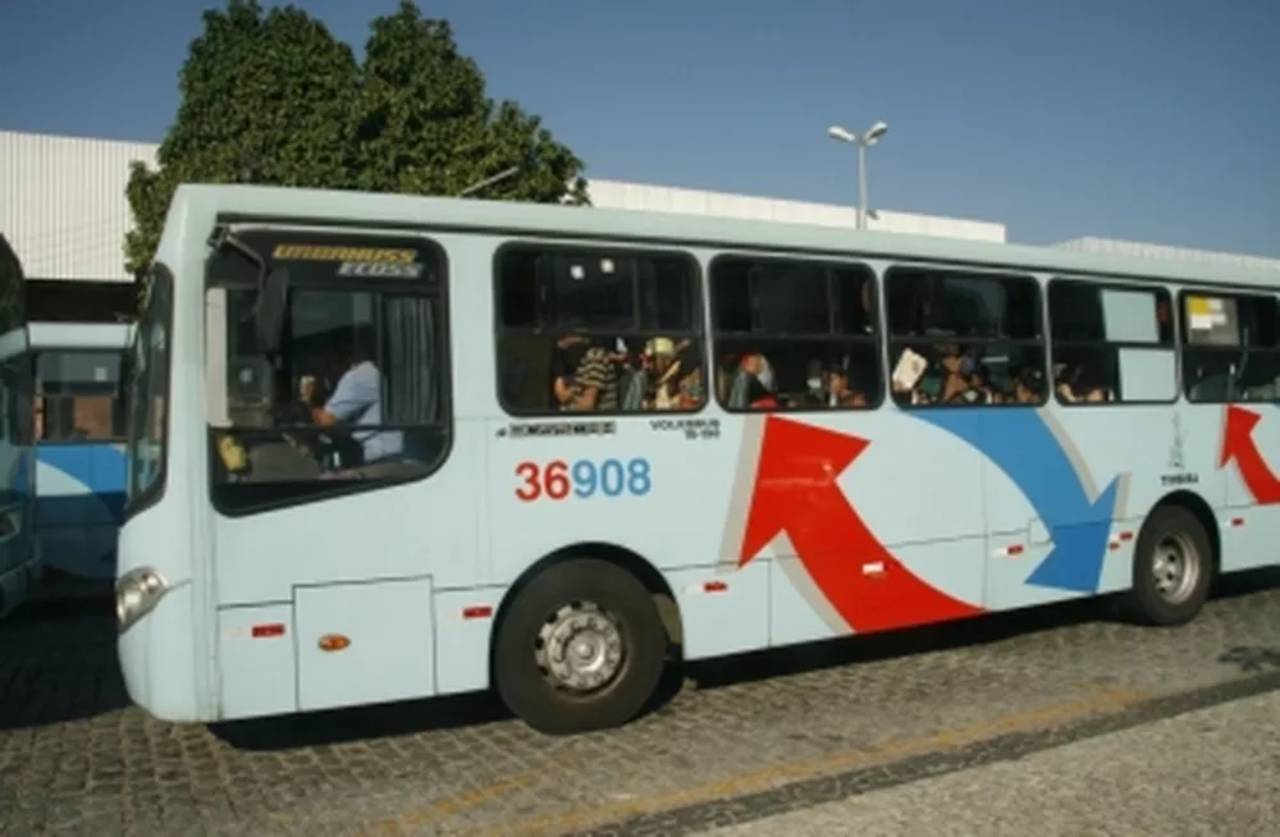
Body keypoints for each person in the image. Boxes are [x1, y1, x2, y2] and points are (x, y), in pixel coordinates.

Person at [309, 325, 402, 465]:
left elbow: (325, 422)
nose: (323, 366)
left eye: (324, 359)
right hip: (391, 455)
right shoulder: (373, 373)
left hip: (379, 460)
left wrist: (310, 400)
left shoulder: (359, 376)